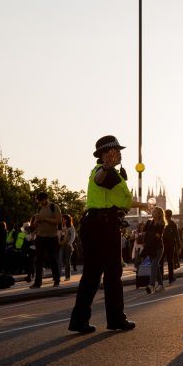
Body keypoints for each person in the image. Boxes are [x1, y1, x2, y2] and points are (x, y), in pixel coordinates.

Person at [69, 135, 142, 333]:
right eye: (114, 151)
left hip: (96, 224)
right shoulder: (104, 172)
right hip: (103, 226)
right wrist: (107, 167)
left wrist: (141, 205)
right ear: (105, 154)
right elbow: (99, 179)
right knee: (112, 274)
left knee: (91, 275)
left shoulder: (112, 174)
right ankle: (116, 319)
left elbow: (120, 200)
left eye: (118, 151)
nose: (118, 154)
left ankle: (79, 321)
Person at [31, 192, 62, 289]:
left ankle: (56, 280)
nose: (40, 203)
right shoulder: (39, 208)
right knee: (38, 260)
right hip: (40, 237)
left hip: (51, 237)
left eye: (42, 200)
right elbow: (34, 225)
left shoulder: (54, 207)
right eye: (39, 201)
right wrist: (36, 221)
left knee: (53, 259)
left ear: (46, 199)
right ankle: (37, 283)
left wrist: (44, 219)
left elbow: (58, 221)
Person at [162, 209, 180, 285]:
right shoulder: (173, 223)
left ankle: (161, 279)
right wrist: (179, 244)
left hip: (162, 245)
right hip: (171, 245)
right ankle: (171, 278)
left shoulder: (162, 223)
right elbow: (177, 235)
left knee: (161, 262)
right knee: (170, 262)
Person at [58, 214, 76, 281]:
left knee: (67, 261)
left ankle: (67, 276)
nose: (62, 220)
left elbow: (73, 237)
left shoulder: (71, 227)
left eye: (63, 219)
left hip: (68, 246)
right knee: (59, 260)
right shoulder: (62, 227)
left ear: (66, 219)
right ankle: (58, 276)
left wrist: (69, 243)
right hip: (62, 245)